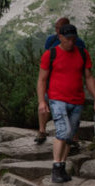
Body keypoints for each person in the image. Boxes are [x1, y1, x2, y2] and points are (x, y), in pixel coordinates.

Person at [36, 24, 95, 183]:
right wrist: (41, 101)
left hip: (77, 100)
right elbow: (42, 79)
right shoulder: (50, 54)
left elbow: (88, 77)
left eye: (74, 39)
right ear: (60, 37)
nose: (71, 42)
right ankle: (56, 168)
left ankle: (62, 168)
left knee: (70, 135)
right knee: (63, 131)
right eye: (68, 39)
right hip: (57, 98)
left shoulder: (82, 53)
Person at [35, 17, 87, 145]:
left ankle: (72, 137)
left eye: (59, 28)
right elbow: (47, 59)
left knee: (71, 111)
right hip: (52, 79)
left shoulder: (78, 43)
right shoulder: (51, 40)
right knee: (44, 102)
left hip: (69, 80)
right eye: (56, 27)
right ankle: (42, 130)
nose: (56, 30)